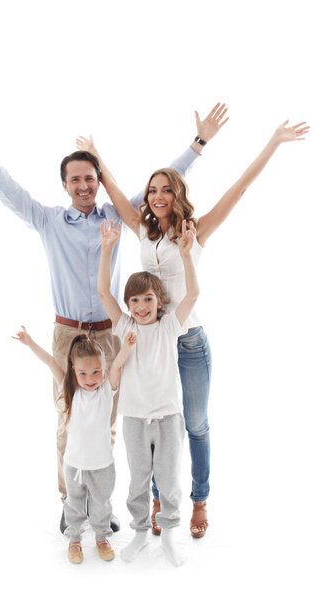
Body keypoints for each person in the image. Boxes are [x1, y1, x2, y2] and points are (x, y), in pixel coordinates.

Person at [0, 95, 225, 533]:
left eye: (90, 178)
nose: (84, 185)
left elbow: (163, 186)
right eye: (75, 179)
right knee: (69, 421)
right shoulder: (48, 220)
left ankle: (102, 506)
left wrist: (199, 142)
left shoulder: (116, 215)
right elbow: (6, 190)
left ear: (98, 181)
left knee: (108, 422)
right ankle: (71, 502)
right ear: (65, 185)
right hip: (67, 334)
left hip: (111, 333)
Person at [77, 116, 310, 539]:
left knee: (195, 424)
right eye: (153, 189)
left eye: (167, 188)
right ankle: (159, 499)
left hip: (187, 343)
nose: (159, 195)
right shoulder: (142, 232)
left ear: (178, 193)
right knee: (150, 421)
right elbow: (112, 190)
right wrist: (96, 155)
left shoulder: (195, 232)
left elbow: (238, 190)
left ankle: (198, 499)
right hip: (148, 345)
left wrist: (274, 141)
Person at [98, 218, 199, 566]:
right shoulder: (124, 325)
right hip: (135, 418)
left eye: (148, 299)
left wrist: (186, 255)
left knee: (169, 480)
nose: (142, 306)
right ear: (128, 305)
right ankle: (140, 532)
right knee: (139, 480)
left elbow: (194, 294)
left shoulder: (170, 324)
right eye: (135, 300)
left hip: (169, 416)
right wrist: (108, 249)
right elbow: (102, 293)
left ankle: (169, 535)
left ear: (159, 301)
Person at [12, 325, 136, 563]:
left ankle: (101, 536)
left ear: (103, 369)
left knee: (101, 504)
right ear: (74, 371)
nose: (90, 379)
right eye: (83, 373)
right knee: (74, 504)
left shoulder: (106, 391)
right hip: (74, 465)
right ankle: (75, 539)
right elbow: (50, 362)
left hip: (102, 465)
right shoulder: (71, 392)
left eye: (96, 372)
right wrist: (30, 343)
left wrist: (128, 346)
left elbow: (118, 364)